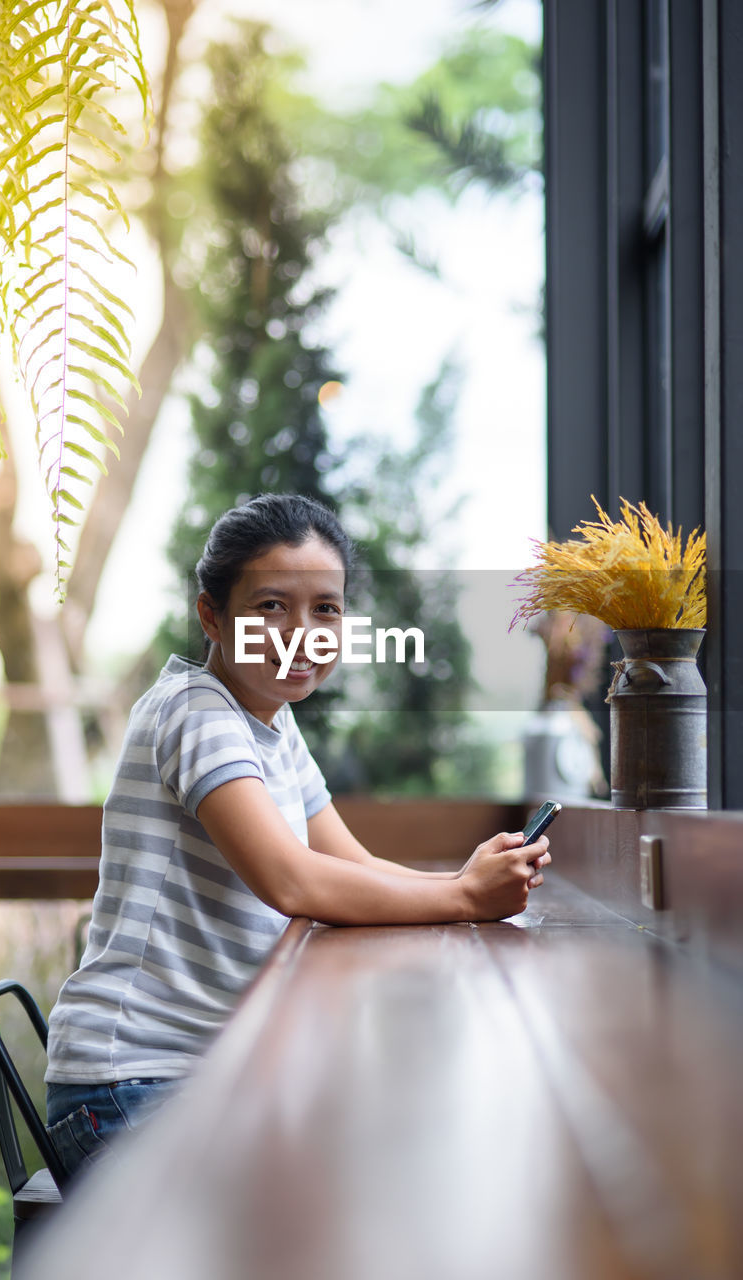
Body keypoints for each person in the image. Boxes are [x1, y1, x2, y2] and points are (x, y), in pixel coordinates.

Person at [44, 493, 551, 1180]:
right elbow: (293, 880)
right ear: (212, 617)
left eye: (326, 610)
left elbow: (350, 860)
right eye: (271, 606)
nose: (301, 634)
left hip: (201, 1073)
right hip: (130, 1087)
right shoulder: (198, 714)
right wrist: (464, 897)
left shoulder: (272, 722)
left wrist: (465, 879)